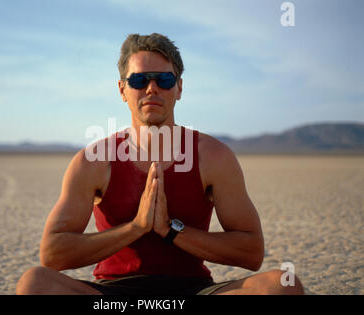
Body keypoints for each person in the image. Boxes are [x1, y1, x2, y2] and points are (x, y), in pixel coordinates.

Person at [16, 33, 304, 295]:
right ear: (122, 89)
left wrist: (170, 230)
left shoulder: (212, 156)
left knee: (282, 286)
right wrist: (137, 227)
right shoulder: (94, 160)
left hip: (192, 292)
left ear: (178, 88)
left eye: (164, 80)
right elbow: (53, 254)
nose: (152, 89)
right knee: (35, 284)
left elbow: (251, 252)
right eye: (139, 80)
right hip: (113, 296)